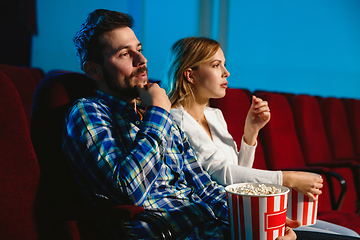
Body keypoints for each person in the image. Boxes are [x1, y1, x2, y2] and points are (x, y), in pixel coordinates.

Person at [62, 9, 302, 240]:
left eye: (139, 49)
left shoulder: (155, 115)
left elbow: (206, 188)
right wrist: (158, 112)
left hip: (214, 229)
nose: (142, 60)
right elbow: (128, 191)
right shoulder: (88, 112)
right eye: (125, 54)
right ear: (93, 70)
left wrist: (257, 223)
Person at [162, 36, 360, 238]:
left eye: (224, 64)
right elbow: (222, 173)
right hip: (221, 218)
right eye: (216, 65)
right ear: (190, 75)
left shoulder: (215, 115)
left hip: (244, 211)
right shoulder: (176, 119)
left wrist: (251, 132)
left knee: (349, 234)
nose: (226, 72)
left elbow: (240, 178)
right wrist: (287, 178)